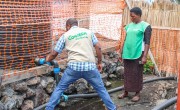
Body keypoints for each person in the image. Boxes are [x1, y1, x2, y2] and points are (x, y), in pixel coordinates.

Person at [45, 18, 117, 110]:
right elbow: (98, 47)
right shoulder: (89, 32)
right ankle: (112, 108)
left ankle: (49, 108)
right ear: (77, 24)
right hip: (90, 67)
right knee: (101, 90)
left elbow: (54, 53)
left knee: (59, 89)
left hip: (73, 68)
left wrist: (46, 59)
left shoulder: (65, 35)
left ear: (68, 26)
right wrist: (99, 63)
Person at [118, 7, 152, 102]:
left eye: (133, 16)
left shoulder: (145, 26)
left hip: (138, 53)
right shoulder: (129, 26)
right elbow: (125, 39)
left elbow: (147, 42)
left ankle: (137, 93)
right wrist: (121, 52)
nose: (131, 18)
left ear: (139, 15)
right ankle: (126, 91)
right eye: (130, 16)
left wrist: (145, 56)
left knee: (137, 73)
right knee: (127, 73)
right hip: (127, 52)